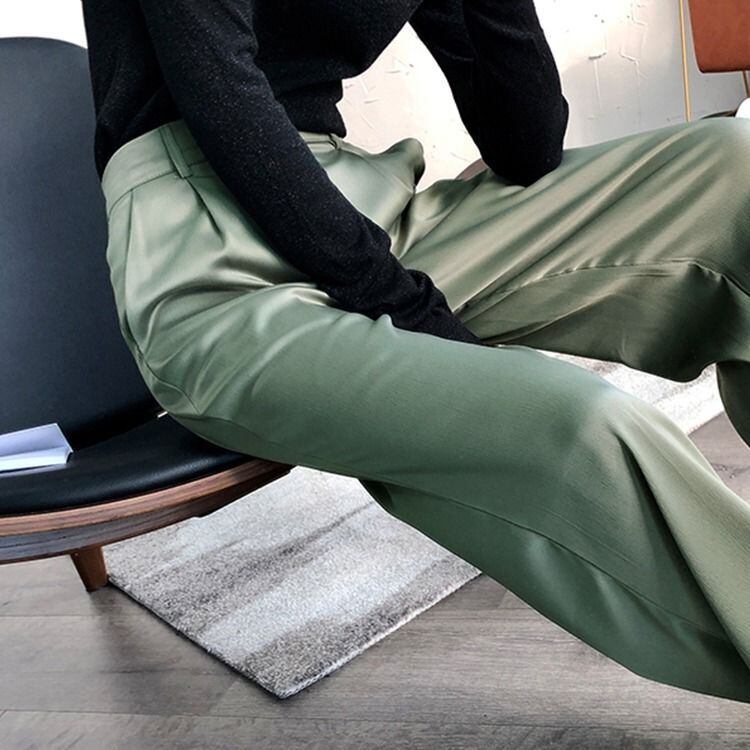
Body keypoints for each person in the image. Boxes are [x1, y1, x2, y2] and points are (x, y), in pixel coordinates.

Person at [81, 0, 750, 703]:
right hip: (207, 259)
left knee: (732, 168)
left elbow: (527, 146)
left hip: (354, 209)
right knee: (578, 423)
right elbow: (221, 94)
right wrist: (412, 309)